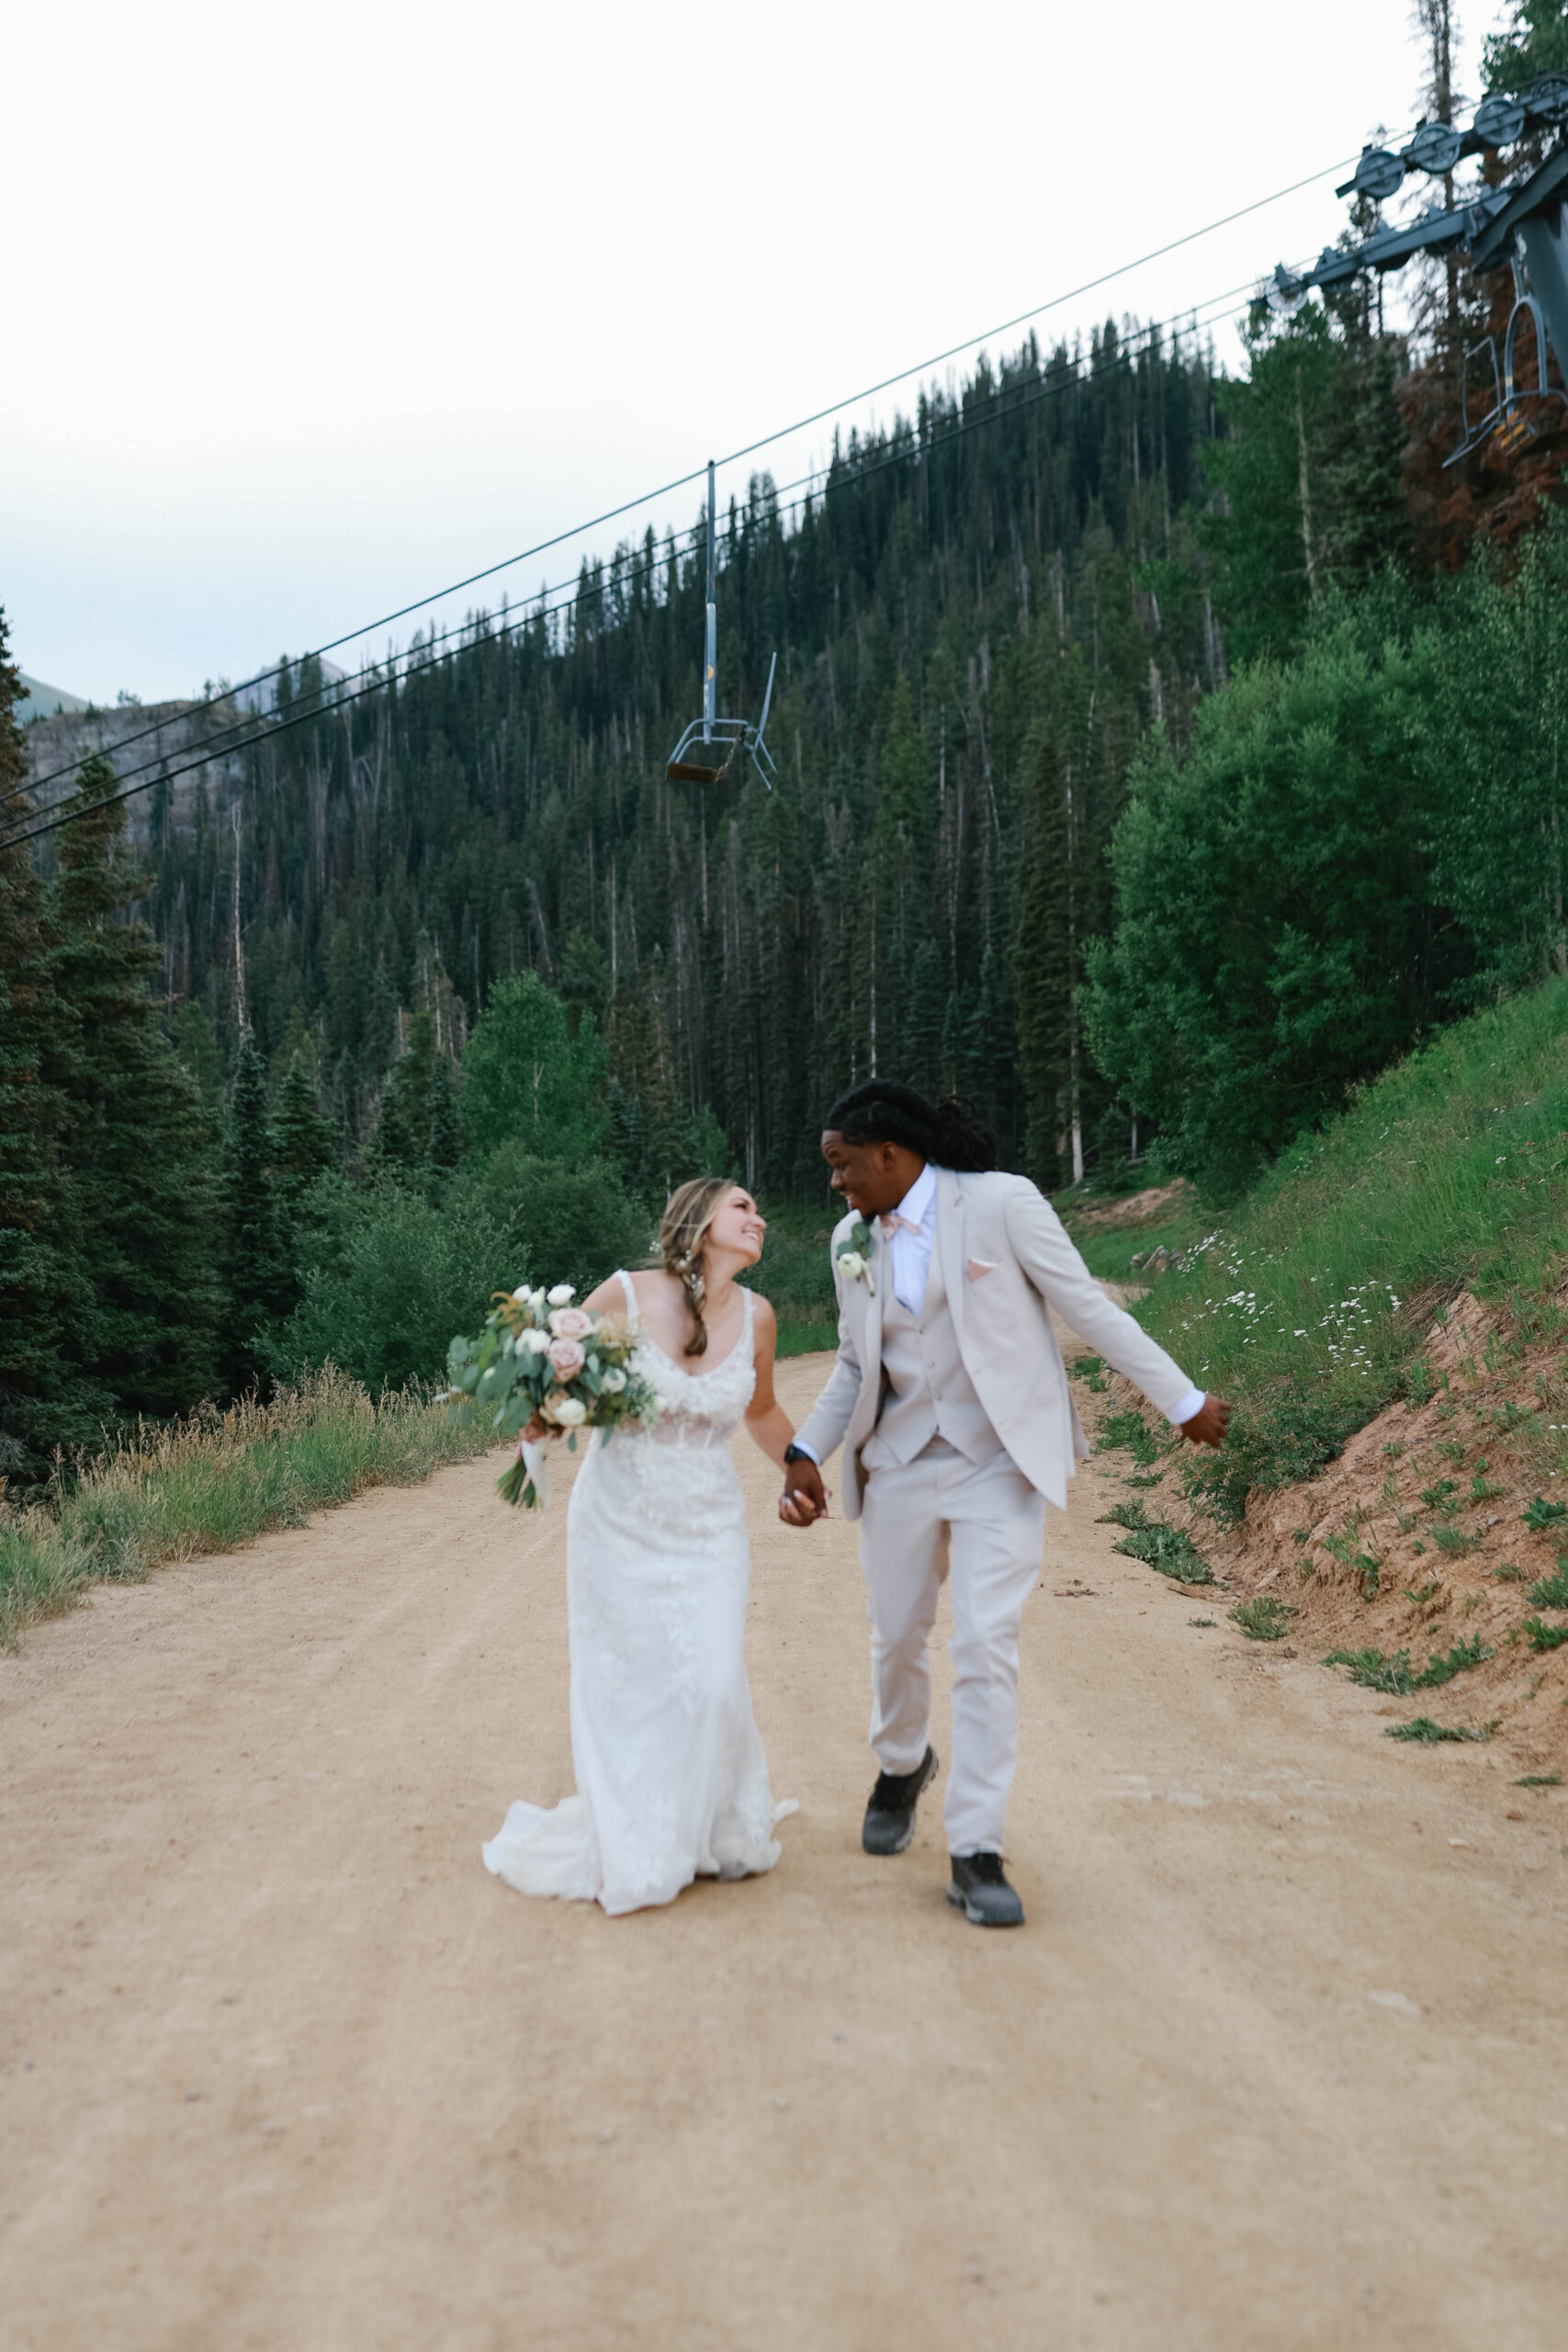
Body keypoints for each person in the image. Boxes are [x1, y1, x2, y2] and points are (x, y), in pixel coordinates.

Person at [779, 1083, 1228, 1928]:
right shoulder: (850, 1240)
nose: (836, 1184)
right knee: (897, 1636)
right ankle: (902, 1761)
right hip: (899, 1463)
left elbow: (1086, 1306)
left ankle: (974, 1849)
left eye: (842, 1166)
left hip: (999, 1461)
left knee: (986, 1643)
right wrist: (806, 1452)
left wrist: (1180, 1399)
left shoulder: (1000, 1203)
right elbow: (850, 1366)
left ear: (889, 1154)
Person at [481, 1179, 800, 1917]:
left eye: (758, 1208)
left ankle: (708, 1823)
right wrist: (547, 1417)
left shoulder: (758, 1316)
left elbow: (761, 1410)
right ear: (699, 1218)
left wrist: (802, 1467)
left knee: (713, 1679)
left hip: (708, 1527)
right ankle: (642, 1839)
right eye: (743, 1207)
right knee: (629, 1686)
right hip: (617, 1523)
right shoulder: (624, 1294)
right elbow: (568, 1391)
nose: (759, 1218)